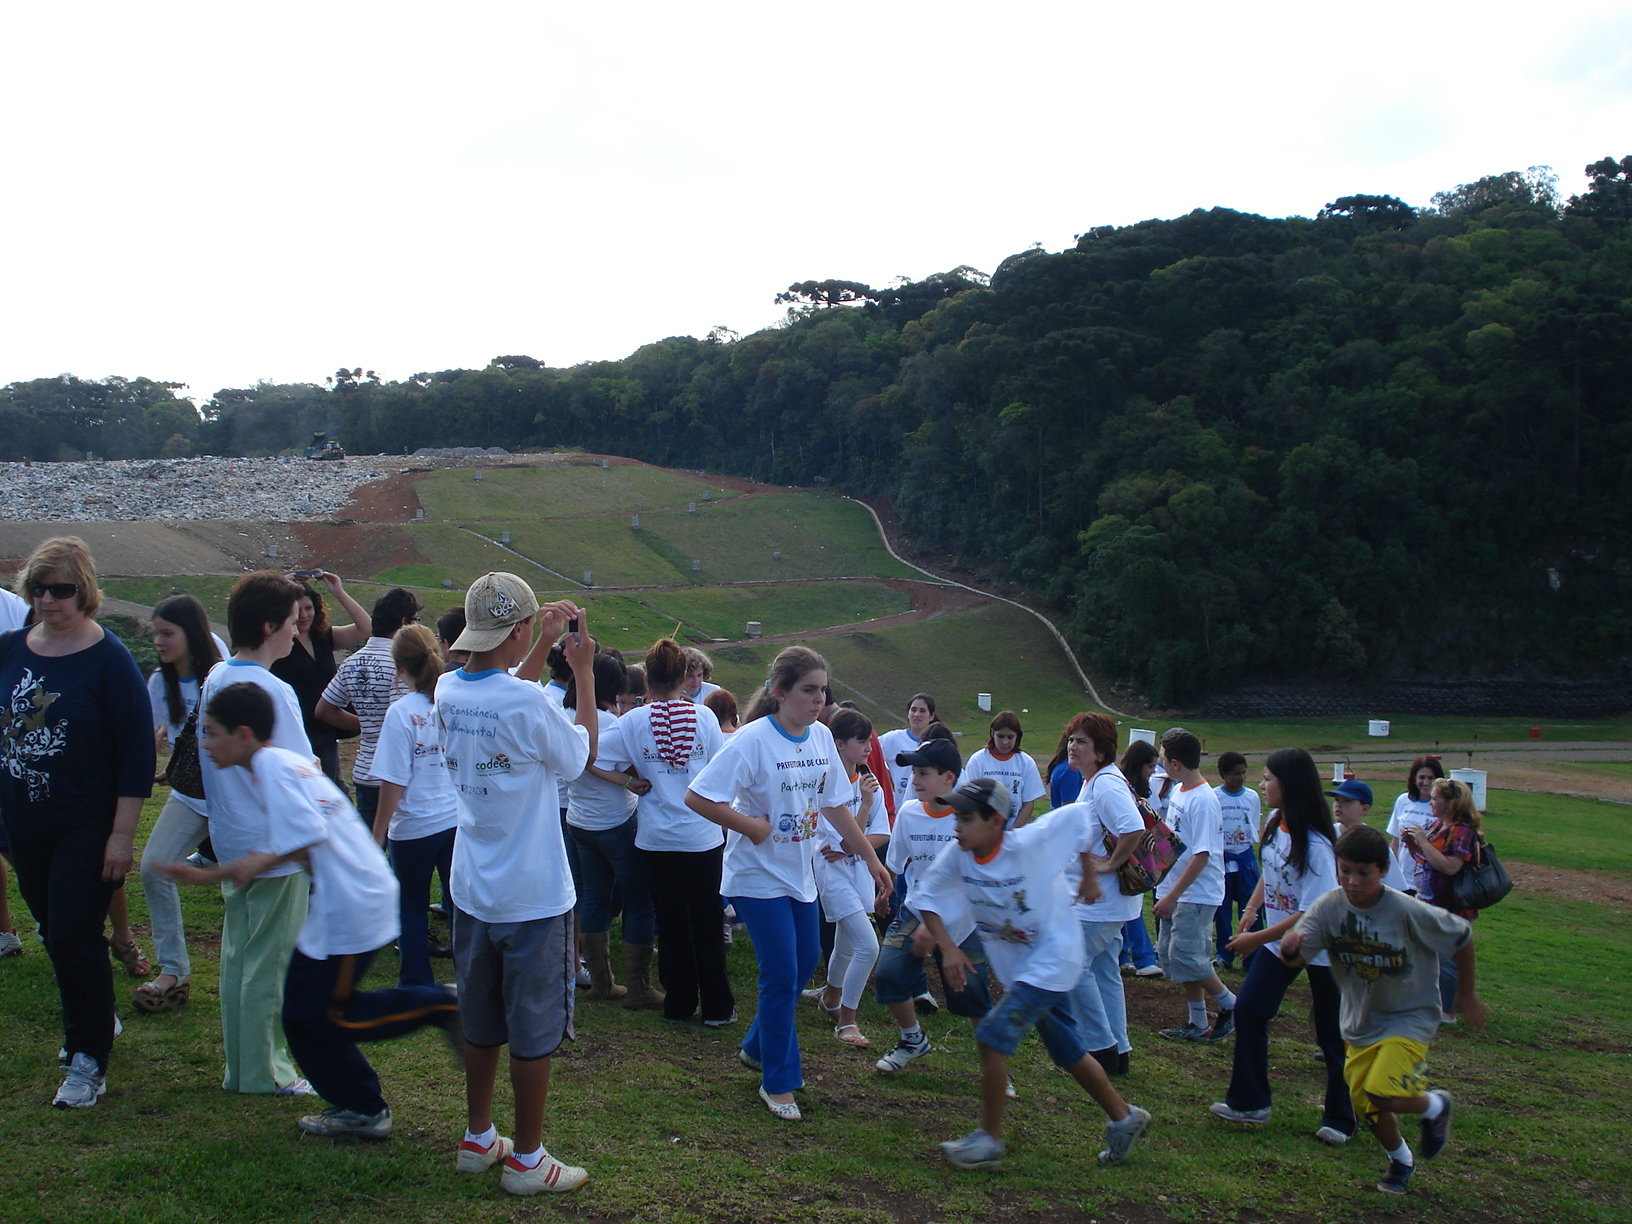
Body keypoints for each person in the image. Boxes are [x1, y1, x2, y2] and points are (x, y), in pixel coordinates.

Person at [162, 681, 460, 1139]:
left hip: (353, 904)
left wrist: (226, 871)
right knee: (302, 1015)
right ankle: (360, 1103)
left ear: (243, 735)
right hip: (340, 902)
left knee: (327, 1016)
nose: (204, 743)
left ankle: (440, 1007)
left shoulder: (272, 768)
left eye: (211, 732)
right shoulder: (278, 763)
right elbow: (313, 833)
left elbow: (305, 833)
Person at [435, 572, 597, 1195]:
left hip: (473, 886)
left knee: (480, 1016)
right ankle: (528, 1160)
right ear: (523, 628)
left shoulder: (450, 691)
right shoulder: (529, 703)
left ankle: (479, 1138)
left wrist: (537, 645)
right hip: (532, 893)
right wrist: (581, 671)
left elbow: (499, 689)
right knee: (534, 1027)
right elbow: (580, 758)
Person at [685, 645, 891, 1121]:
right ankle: (778, 1082)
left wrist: (871, 859)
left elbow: (837, 806)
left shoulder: (821, 738)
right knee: (781, 973)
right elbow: (698, 797)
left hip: (800, 874)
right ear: (780, 693)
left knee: (804, 964)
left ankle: (757, 1045)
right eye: (808, 690)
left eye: (822, 690)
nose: (818, 699)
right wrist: (750, 826)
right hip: (756, 877)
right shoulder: (751, 740)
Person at [915, 778, 1153, 1170]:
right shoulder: (958, 854)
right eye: (956, 817)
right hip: (1021, 969)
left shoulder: (1029, 844)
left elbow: (1081, 818)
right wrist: (948, 946)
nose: (956, 826)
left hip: (1054, 957)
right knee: (1067, 1050)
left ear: (996, 821)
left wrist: (1090, 875)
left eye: (967, 818)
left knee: (991, 1037)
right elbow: (927, 898)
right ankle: (1124, 1117)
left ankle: (988, 1140)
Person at [0, 537, 155, 1107]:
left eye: (60, 590)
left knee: (73, 932)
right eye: (38, 588)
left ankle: (88, 1058)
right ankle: (95, 1018)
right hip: (23, 818)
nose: (47, 600)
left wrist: (120, 835)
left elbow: (137, 755)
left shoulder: (109, 660)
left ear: (83, 591)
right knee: (53, 930)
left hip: (85, 821)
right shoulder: (11, 648)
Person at [1282, 824, 1485, 1196]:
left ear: (1383, 871)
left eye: (1364, 873)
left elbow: (1462, 937)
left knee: (1381, 1090)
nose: (1353, 881)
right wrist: (1290, 948)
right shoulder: (1329, 906)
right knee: (1369, 1109)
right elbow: (1296, 957)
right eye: (1345, 870)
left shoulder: (1406, 910)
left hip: (1410, 1015)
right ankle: (1401, 1160)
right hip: (1360, 1023)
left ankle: (1435, 1105)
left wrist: (1467, 995)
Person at [200, 569, 316, 1096]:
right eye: (292, 622)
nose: (297, 632)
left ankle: (242, 1066)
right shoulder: (273, 690)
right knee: (271, 961)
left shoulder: (216, 677)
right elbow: (299, 773)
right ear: (270, 624)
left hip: (231, 836)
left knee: (239, 956)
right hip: (274, 847)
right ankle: (268, 1071)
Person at [1207, 748, 1352, 1144]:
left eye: (1268, 778)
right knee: (1251, 1010)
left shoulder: (1318, 844)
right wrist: (1253, 908)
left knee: (1332, 1034)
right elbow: (1270, 873)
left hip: (1323, 945)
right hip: (1280, 941)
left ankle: (1342, 1118)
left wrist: (1256, 939)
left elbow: (1313, 913)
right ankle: (1250, 1102)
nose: (1261, 783)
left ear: (1288, 785)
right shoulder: (1274, 822)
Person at [601, 638, 731, 1025]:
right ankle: (718, 1007)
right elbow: (719, 771)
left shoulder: (633, 721)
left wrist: (629, 779)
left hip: (656, 837)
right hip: (703, 835)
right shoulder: (705, 718)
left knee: (671, 922)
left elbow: (592, 755)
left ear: (648, 679)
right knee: (707, 919)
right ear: (683, 677)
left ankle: (679, 1002)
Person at [872, 736, 994, 1078]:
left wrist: (938, 929)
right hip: (916, 909)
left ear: (949, 778)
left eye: (923, 773)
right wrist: (886, 889)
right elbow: (897, 862)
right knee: (889, 974)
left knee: (974, 994)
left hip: (963, 916)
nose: (914, 781)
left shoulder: (970, 821)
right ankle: (912, 1039)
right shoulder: (910, 814)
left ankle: (994, 1066)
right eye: (915, 773)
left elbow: (972, 882)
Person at [135, 593, 225, 1012]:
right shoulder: (159, 683)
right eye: (155, 634)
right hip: (190, 797)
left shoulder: (219, 667)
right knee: (153, 868)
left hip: (234, 798)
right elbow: (155, 739)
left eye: (167, 633)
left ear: (192, 634)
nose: (159, 641)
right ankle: (174, 970)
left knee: (250, 887)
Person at [565, 652, 663, 1009]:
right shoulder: (609, 724)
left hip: (579, 820)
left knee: (593, 898)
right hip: (616, 822)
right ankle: (639, 988)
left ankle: (601, 982)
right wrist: (627, 779)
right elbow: (599, 761)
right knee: (640, 903)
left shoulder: (566, 715)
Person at [369, 624, 460, 988]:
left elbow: (393, 782)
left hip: (414, 827)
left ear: (400, 669)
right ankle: (470, 973)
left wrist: (377, 836)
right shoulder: (452, 703)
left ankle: (415, 981)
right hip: (453, 819)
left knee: (410, 906)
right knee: (460, 905)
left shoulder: (401, 713)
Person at [1061, 713, 1146, 1075]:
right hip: (1105, 904)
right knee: (1104, 969)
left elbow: (1133, 828)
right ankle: (1118, 1050)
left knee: (1073, 965)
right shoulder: (1096, 781)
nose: (1073, 746)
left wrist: (1110, 865)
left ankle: (1100, 1047)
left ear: (1101, 750)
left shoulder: (1106, 784)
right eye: (1071, 739)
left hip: (1102, 904)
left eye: (1082, 741)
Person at [811, 707, 891, 1047]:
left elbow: (882, 834)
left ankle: (830, 998)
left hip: (858, 874)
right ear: (839, 744)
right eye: (861, 743)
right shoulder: (826, 784)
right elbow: (843, 840)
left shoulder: (870, 783)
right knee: (867, 946)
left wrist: (853, 846)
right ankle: (847, 1021)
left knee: (845, 946)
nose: (868, 750)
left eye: (870, 743)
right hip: (833, 875)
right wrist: (864, 807)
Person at [1153, 728, 1238, 1042]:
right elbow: (1172, 840)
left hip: (1196, 893)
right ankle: (1198, 1022)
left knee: (1188, 956)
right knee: (1174, 956)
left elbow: (1202, 856)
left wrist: (1173, 896)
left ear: (1175, 763)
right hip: (1174, 888)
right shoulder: (1179, 791)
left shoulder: (1202, 799)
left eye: (1162, 757)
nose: (1160, 762)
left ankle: (1231, 1005)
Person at [316, 587, 421, 827]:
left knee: (369, 849)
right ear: (405, 622)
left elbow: (324, 709)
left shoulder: (352, 662)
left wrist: (366, 723)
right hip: (394, 774)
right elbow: (404, 724)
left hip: (364, 769)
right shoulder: (400, 667)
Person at [269, 572, 369, 790]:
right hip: (297, 730)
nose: (304, 615)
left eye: (309, 608)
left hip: (326, 728)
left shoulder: (323, 637)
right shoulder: (278, 643)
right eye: (298, 609)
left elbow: (365, 628)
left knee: (334, 791)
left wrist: (338, 592)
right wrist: (278, 589)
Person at [1400, 777, 1482, 1023]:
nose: (1432, 802)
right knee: (1425, 956)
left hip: (1450, 906)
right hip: (1429, 902)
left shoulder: (1461, 830)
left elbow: (1450, 867)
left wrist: (1423, 841)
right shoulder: (1439, 825)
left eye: (1436, 799)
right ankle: (1428, 1002)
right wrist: (1413, 845)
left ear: (1451, 803)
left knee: (1446, 961)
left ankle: (1448, 1012)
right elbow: (1426, 861)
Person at [1213, 751, 1263, 970]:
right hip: (1222, 858)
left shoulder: (1251, 797)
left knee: (1250, 906)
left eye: (1243, 773)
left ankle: (1252, 954)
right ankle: (1225, 953)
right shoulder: (1214, 796)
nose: (1240, 778)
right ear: (1223, 774)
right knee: (1222, 909)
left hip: (1245, 857)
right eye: (1235, 774)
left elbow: (1253, 827)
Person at [1117, 739, 1162, 977]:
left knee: (1130, 905)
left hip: (1139, 852)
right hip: (1128, 853)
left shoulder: (1140, 787)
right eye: (1150, 766)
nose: (1153, 772)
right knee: (1129, 906)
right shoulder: (1120, 786)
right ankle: (1140, 957)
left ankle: (1128, 955)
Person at [960, 710, 1045, 828]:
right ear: (992, 733)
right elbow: (970, 800)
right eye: (1000, 736)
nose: (1005, 742)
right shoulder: (977, 760)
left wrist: (1013, 832)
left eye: (1010, 737)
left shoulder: (1026, 762)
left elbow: (1028, 803)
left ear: (1018, 736)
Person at [1329, 778, 1412, 892]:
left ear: (1364, 809)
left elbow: (1396, 887)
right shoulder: (1326, 836)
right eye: (1337, 800)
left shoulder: (1373, 841)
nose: (1339, 805)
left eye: (1347, 801)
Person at [1386, 756, 1443, 892]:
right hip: (1403, 879)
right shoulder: (1403, 801)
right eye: (1421, 777)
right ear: (1414, 779)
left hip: (1428, 879)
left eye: (1431, 778)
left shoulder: (1441, 806)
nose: (1426, 782)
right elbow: (1395, 842)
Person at [877, 693, 935, 812]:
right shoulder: (894, 738)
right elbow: (871, 754)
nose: (917, 715)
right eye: (913, 710)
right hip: (898, 808)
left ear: (931, 716)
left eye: (922, 711)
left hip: (926, 808)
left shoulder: (936, 744)